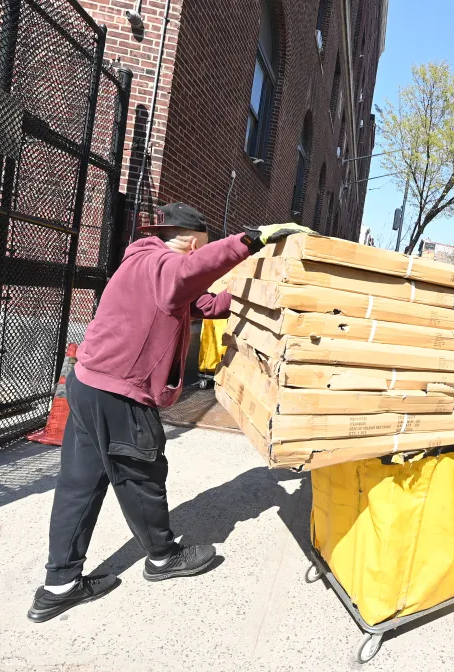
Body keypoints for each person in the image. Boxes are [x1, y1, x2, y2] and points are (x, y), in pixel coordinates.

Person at [27, 203, 312, 623]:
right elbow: (184, 275)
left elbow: (199, 303)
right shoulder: (164, 264)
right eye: (206, 245)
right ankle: (162, 558)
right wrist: (249, 239)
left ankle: (59, 586)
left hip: (87, 384)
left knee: (79, 485)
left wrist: (256, 297)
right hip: (119, 394)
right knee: (141, 478)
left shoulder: (140, 262)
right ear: (192, 239)